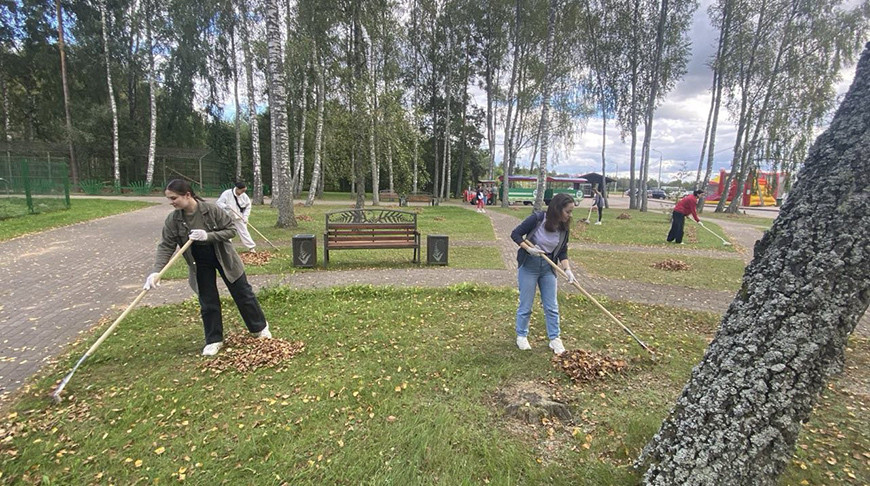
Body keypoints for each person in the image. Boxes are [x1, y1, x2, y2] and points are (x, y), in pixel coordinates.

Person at [144, 179, 272, 356]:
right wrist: (156, 272)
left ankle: (260, 328)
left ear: (187, 195)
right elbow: (166, 245)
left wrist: (208, 236)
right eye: (169, 199)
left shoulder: (211, 210)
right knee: (208, 300)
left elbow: (230, 230)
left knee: (242, 292)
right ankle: (214, 340)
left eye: (174, 198)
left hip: (223, 256)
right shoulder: (174, 219)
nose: (171, 202)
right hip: (198, 261)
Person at [509, 193, 576, 355]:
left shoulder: (564, 228)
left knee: (551, 306)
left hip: (548, 268)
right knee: (526, 304)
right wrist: (529, 248)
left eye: (571, 212)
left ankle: (554, 339)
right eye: (568, 211)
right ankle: (521, 335)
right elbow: (515, 234)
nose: (569, 215)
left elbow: (562, 251)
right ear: (557, 209)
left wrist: (567, 269)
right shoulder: (538, 218)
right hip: (529, 265)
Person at [216, 181, 256, 252]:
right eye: (242, 190)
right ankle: (228, 247)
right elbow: (219, 203)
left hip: (239, 217)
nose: (243, 192)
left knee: (244, 232)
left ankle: (251, 247)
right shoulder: (227, 193)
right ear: (237, 188)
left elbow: (248, 206)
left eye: (244, 191)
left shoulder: (244, 196)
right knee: (228, 232)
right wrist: (226, 206)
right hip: (228, 217)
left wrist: (245, 217)